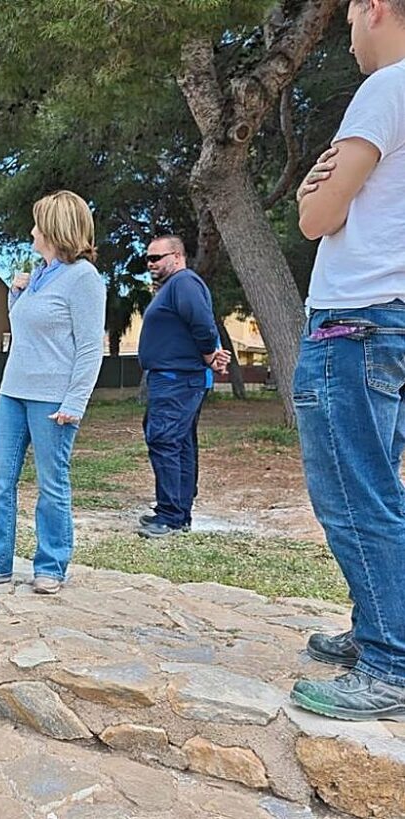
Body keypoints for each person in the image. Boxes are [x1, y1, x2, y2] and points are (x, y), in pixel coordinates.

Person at [289, 0, 405, 722]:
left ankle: (390, 657)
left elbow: (314, 216)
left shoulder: (387, 88)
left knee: (353, 495)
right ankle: (377, 629)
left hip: (353, 321)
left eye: (352, 18)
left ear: (376, 9)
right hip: (388, 320)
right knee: (377, 487)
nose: (350, 37)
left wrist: (312, 189)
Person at [0, 191, 106, 594]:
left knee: (51, 483)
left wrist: (75, 402)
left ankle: (51, 566)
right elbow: (26, 330)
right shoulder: (40, 273)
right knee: (0, 480)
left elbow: (91, 347)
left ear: (56, 230)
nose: (32, 231)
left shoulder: (84, 280)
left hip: (52, 399)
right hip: (13, 392)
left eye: (38, 224)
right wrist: (16, 294)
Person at [135, 236, 230, 538]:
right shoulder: (174, 287)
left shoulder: (184, 283)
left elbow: (203, 323)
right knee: (179, 443)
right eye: (148, 259)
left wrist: (208, 355)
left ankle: (171, 516)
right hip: (173, 379)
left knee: (165, 440)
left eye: (157, 258)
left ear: (177, 256)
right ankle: (178, 512)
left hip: (178, 380)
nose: (150, 264)